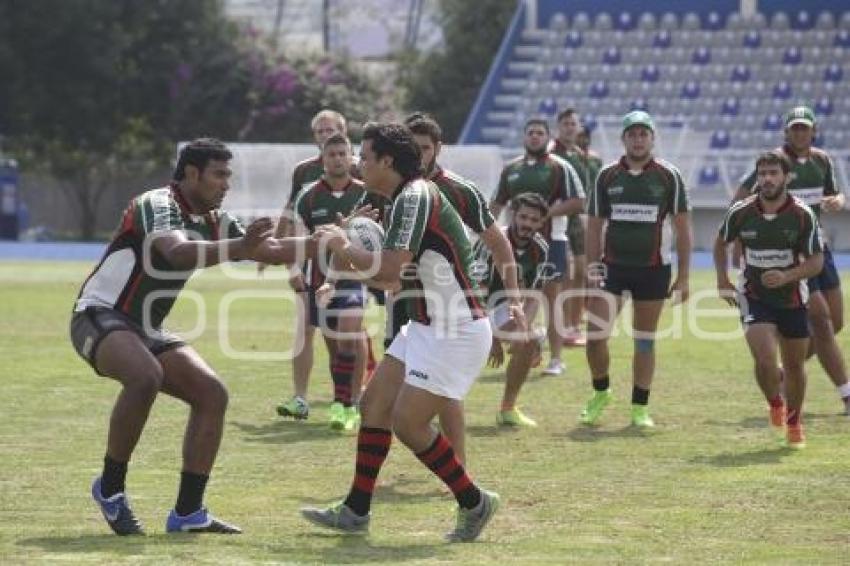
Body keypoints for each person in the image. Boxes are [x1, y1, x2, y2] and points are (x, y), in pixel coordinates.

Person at [70, 138, 308, 535]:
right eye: (219, 174)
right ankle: (109, 489)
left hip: (145, 328)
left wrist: (333, 243)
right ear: (192, 174)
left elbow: (270, 250)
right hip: (98, 316)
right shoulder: (158, 203)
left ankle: (188, 513)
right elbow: (176, 253)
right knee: (145, 376)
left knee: (212, 394)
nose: (226, 184)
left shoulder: (214, 218)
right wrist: (241, 247)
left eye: (229, 175)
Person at [301, 122, 522, 541]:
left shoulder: (416, 197)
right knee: (374, 406)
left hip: (456, 331)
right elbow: (389, 283)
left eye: (365, 156)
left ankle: (475, 503)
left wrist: (341, 246)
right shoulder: (402, 197)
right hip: (426, 325)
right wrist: (344, 248)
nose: (358, 163)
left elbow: (387, 271)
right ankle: (356, 510)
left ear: (387, 161)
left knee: (408, 423)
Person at [399, 112, 520, 463]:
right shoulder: (394, 188)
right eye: (411, 146)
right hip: (407, 301)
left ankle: (459, 469)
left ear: (439, 148)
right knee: (387, 399)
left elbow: (500, 245)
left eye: (424, 147)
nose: (418, 154)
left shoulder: (459, 189)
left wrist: (512, 300)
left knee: (444, 390)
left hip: (452, 301)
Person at [732, 106, 850, 414]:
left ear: (814, 130)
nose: (800, 133)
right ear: (786, 132)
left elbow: (835, 194)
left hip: (819, 247)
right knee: (822, 321)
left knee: (835, 322)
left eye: (804, 128)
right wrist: (742, 241)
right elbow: (740, 199)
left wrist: (837, 200)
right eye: (794, 128)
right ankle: (846, 393)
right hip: (792, 255)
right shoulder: (775, 163)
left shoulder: (822, 160)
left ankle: (788, 367)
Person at [581, 111, 692, 428]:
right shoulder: (607, 176)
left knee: (644, 340)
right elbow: (593, 227)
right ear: (624, 139)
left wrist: (683, 277)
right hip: (611, 269)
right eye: (633, 134)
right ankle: (601, 391)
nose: (638, 139)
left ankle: (639, 408)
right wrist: (592, 266)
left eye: (644, 134)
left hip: (654, 271)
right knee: (595, 336)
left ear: (652, 139)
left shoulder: (669, 176)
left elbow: (684, 229)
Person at [271, 109, 378, 421]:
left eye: (342, 152)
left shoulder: (364, 188)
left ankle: (350, 402)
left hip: (355, 275)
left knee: (351, 331)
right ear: (320, 150)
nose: (336, 158)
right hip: (316, 278)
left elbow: (376, 231)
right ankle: (328, 399)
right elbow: (293, 229)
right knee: (328, 338)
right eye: (330, 152)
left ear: (351, 154)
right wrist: (286, 264)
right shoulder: (307, 189)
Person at [715, 150, 823, 448]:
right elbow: (719, 242)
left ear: (786, 178)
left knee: (794, 367)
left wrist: (788, 276)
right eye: (762, 173)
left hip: (792, 299)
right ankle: (775, 400)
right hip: (754, 295)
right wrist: (722, 280)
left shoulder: (802, 214)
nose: (767, 179)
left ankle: (794, 421)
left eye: (773, 173)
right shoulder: (741, 211)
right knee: (764, 359)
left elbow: (816, 262)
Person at [492, 118, 585, 376]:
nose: (535, 137)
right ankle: (528, 337)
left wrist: (544, 214)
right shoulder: (511, 168)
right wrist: (483, 232)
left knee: (551, 298)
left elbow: (579, 202)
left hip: (552, 240)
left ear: (548, 137)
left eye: (540, 133)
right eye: (530, 132)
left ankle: (556, 359)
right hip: (514, 241)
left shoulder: (560, 167)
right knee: (514, 293)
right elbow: (496, 204)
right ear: (524, 137)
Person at [474, 193, 551, 427]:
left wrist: (522, 329)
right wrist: (493, 338)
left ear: (541, 223)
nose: (528, 224)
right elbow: (475, 293)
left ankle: (508, 409)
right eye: (523, 217)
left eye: (534, 220)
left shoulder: (541, 249)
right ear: (513, 215)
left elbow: (534, 296)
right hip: (466, 308)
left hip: (502, 307)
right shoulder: (492, 241)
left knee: (530, 339)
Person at [550, 108, 590, 347]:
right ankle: (562, 326)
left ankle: (574, 325)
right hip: (558, 220)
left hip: (578, 221)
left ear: (579, 127)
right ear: (559, 127)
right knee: (563, 275)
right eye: (565, 123)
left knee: (581, 273)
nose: (569, 127)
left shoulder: (580, 154)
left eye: (573, 124)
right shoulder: (552, 154)